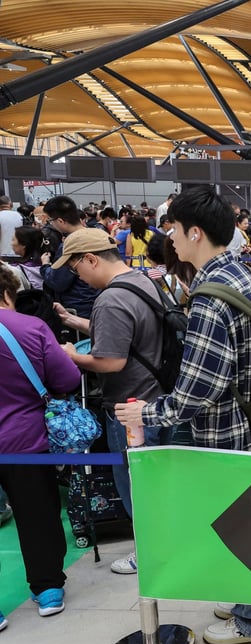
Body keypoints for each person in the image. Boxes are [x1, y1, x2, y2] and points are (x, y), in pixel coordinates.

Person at [113, 186, 251, 644]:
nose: (170, 239)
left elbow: (197, 391)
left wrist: (146, 412)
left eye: (173, 230)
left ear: (195, 232)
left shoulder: (211, 293)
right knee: (247, 519)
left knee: (238, 519)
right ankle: (249, 600)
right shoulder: (245, 274)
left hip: (226, 429)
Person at [51, 228, 174, 576]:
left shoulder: (109, 299)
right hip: (160, 400)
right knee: (161, 482)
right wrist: (79, 322)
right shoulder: (143, 281)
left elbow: (111, 361)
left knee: (136, 485)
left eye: (76, 270)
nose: (79, 278)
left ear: (90, 259)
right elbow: (130, 336)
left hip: (128, 407)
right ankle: (167, 544)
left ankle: (148, 552)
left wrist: (72, 355)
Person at [0, 266, 80, 624]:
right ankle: (48, 588)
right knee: (38, 514)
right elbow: (68, 378)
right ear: (9, 293)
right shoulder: (31, 328)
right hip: (26, 440)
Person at [40, 196, 100, 320]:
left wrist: (45, 265)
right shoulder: (99, 235)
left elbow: (58, 282)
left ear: (60, 221)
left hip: (78, 307)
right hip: (99, 303)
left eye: (51, 220)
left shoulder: (70, 244)